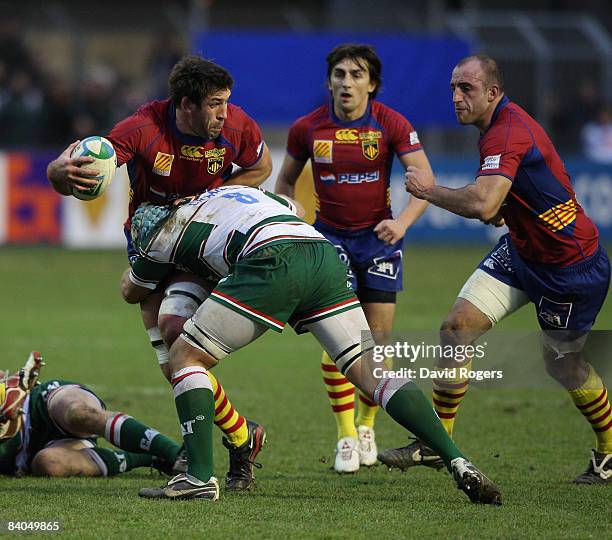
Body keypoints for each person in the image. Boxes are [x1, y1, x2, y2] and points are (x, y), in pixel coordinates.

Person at [121, 185, 501, 504]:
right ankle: (456, 459)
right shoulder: (234, 192)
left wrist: (153, 263)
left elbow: (131, 290)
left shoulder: (162, 234)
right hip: (320, 254)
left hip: (271, 259)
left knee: (185, 356)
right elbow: (296, 207)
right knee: (374, 373)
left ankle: (199, 478)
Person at [380, 54, 611, 485]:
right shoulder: (494, 128)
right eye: (453, 88)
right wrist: (501, 208)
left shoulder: (506, 131)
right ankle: (437, 441)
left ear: (493, 92)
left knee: (563, 365)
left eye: (466, 89)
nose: (456, 97)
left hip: (570, 268)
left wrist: (430, 192)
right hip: (523, 254)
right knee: (456, 328)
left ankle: (609, 450)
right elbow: (499, 202)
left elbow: (485, 202)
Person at [46, 55, 271, 491]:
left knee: (176, 331)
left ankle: (200, 459)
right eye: (215, 104)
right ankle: (243, 435)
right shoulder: (143, 128)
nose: (224, 112)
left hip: (201, 243)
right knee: (173, 365)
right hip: (151, 242)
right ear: (186, 105)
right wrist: (58, 172)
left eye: (227, 102)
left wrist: (215, 199)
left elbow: (261, 168)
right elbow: (90, 166)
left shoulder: (238, 125)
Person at [275, 43, 434, 473]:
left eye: (356, 74)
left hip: (380, 241)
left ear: (372, 84)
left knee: (376, 344)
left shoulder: (391, 123)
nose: (347, 82)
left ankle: (367, 425)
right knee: (338, 335)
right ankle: (345, 434)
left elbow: (426, 179)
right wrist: (291, 216)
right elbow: (284, 182)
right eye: (340, 74)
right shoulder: (308, 127)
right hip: (330, 240)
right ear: (329, 81)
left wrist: (401, 224)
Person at [0, 352, 185, 477]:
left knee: (78, 414)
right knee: (49, 464)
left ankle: (179, 454)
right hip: (30, 455)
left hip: (39, 404)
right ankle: (148, 458)